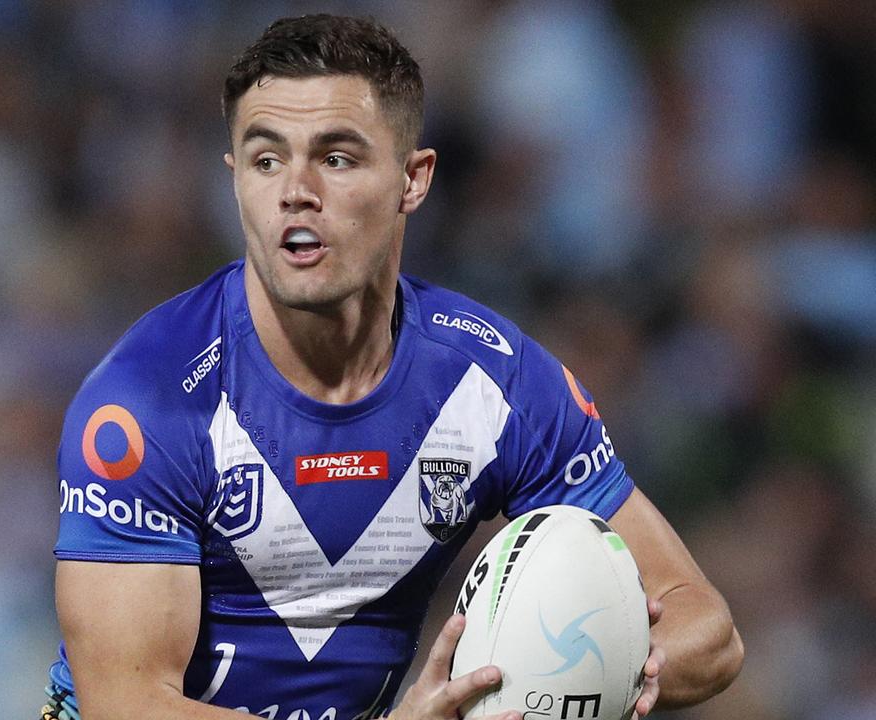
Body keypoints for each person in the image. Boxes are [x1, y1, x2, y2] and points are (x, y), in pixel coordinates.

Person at [46, 14, 743, 720]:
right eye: (265, 160)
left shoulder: (492, 385)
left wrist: (578, 679)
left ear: (414, 178)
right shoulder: (149, 400)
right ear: (234, 179)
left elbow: (706, 633)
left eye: (338, 158)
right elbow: (126, 703)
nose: (295, 191)